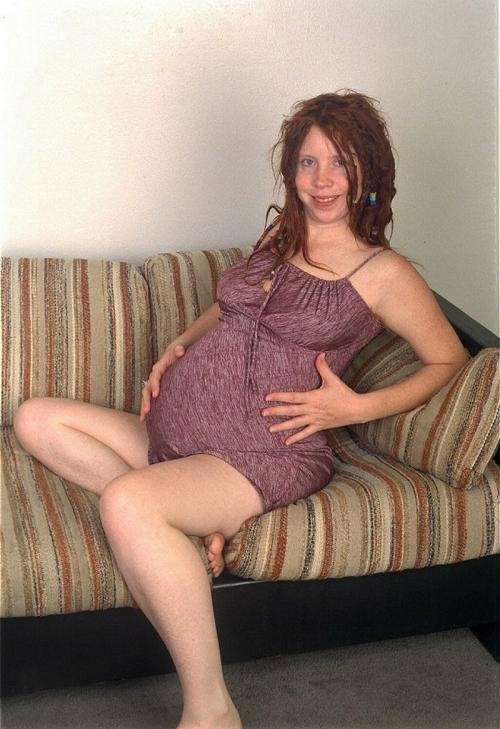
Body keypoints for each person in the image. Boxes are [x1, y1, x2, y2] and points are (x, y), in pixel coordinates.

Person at [13, 90, 469, 729]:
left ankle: (211, 709)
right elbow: (235, 308)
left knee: (127, 503)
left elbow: (448, 359)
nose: (322, 180)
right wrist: (178, 345)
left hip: (264, 451)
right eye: (308, 162)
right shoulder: (280, 237)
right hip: (177, 438)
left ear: (368, 172)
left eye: (339, 163)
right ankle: (181, 527)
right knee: (35, 417)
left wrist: (354, 407)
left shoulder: (384, 273)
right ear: (291, 171)